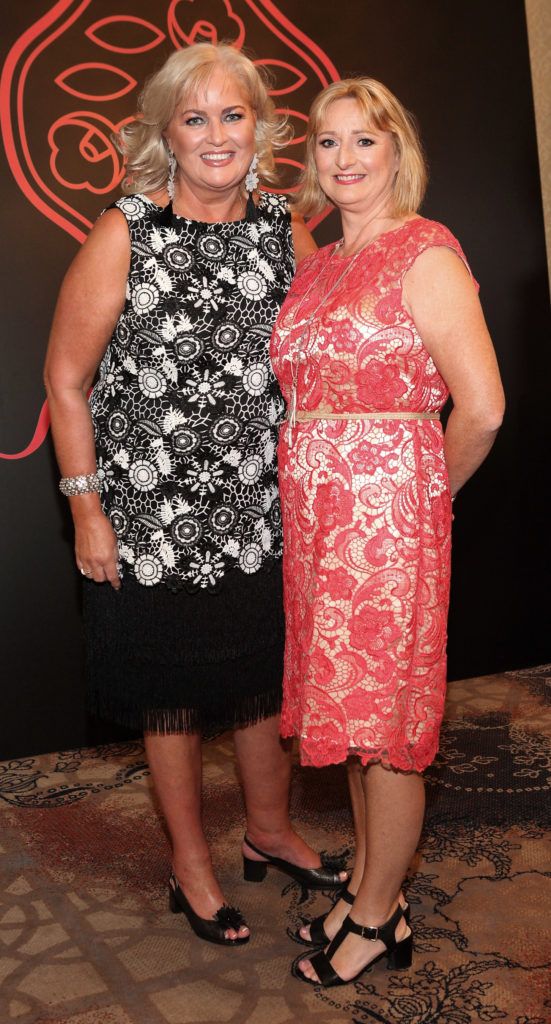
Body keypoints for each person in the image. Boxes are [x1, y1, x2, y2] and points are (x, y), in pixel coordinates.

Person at [43, 43, 348, 949]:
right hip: (148, 519)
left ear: (259, 127)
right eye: (195, 118)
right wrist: (86, 508)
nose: (216, 135)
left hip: (260, 512)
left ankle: (270, 829)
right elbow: (66, 379)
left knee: (261, 687)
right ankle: (191, 862)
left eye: (232, 115)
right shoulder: (125, 230)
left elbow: (314, 360)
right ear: (165, 134)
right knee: (171, 697)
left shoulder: (284, 228)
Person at [270, 78, 505, 984]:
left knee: (388, 723)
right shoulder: (320, 259)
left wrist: (415, 506)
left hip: (385, 524)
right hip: (317, 521)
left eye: (364, 141)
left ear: (397, 151)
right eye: (327, 144)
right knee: (349, 720)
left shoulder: (425, 252)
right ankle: (373, 888)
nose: (344, 159)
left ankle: (374, 919)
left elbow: (480, 410)